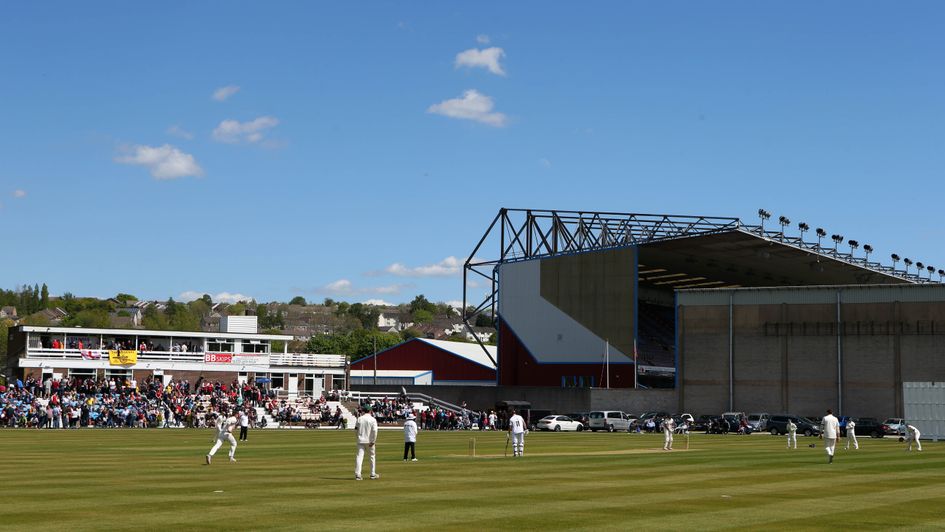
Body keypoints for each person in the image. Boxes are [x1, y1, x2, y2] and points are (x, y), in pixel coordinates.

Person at [355, 404, 379, 480]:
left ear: (363, 411)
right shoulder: (372, 419)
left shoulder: (359, 419)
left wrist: (358, 438)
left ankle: (358, 474)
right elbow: (375, 431)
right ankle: (372, 474)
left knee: (359, 457)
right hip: (369, 441)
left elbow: (356, 430)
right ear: (370, 411)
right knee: (372, 457)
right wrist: (373, 441)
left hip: (360, 440)